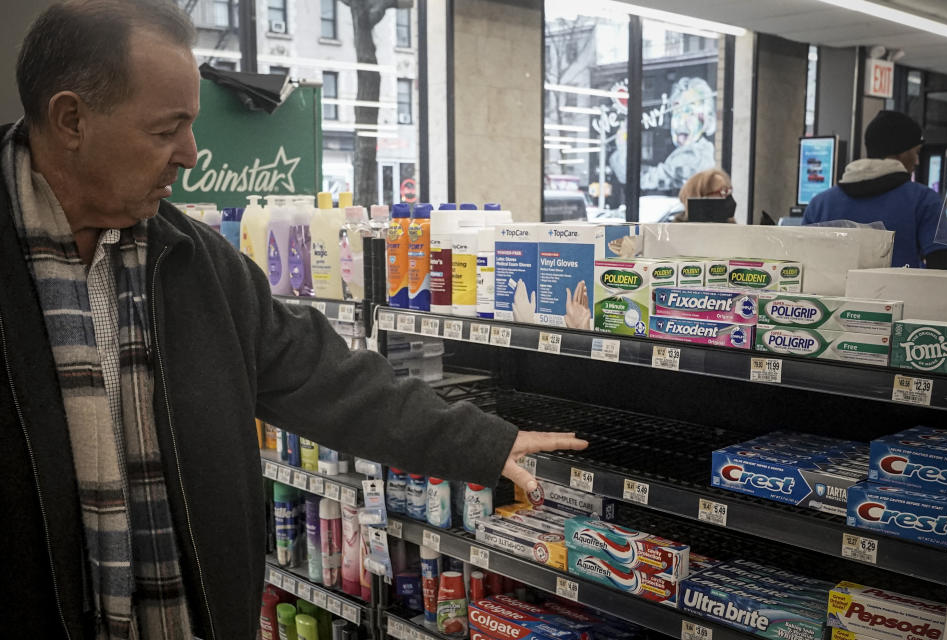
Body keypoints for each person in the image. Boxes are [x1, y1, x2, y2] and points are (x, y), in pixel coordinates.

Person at [0, 2, 586, 638]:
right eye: (166, 130)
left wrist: (480, 440)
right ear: (70, 120)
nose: (191, 154)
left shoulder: (194, 263)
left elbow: (326, 377)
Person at [802, 110, 947, 269]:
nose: (917, 161)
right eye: (916, 152)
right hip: (900, 293)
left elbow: (799, 264)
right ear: (902, 152)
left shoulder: (819, 204)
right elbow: (941, 265)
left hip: (829, 294)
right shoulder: (924, 200)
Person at [672, 167, 737, 223]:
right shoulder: (676, 232)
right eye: (723, 191)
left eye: (728, 191)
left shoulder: (732, 229)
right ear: (700, 197)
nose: (728, 197)